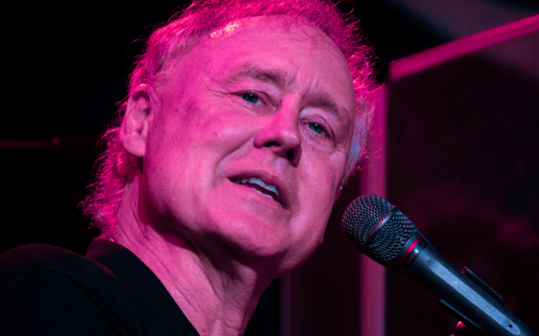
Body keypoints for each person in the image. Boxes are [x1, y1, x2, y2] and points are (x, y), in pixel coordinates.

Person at [0, 0, 375, 335]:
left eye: (318, 128)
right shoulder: (48, 296)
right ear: (142, 122)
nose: (288, 135)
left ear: (335, 194)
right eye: (251, 96)